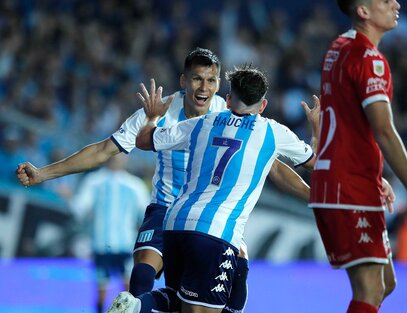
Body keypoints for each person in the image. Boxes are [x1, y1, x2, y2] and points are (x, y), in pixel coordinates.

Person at [16, 48, 311, 313]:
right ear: (184, 81)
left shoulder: (227, 111)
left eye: (210, 80)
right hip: (166, 210)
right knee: (143, 275)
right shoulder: (162, 111)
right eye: (197, 79)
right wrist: (44, 173)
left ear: (220, 85)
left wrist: (311, 195)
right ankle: (134, 305)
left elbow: (272, 166)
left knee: (188, 299)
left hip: (208, 219)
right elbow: (104, 150)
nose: (203, 87)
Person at [106, 64, 318, 313]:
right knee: (204, 308)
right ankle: (137, 308)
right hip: (216, 232)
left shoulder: (202, 123)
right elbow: (317, 164)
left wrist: (153, 117)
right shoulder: (272, 132)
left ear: (228, 100)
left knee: (181, 299)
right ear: (263, 105)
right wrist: (316, 132)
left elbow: (144, 140)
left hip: (176, 224)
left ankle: (138, 305)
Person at [308, 1, 407, 313]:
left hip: (341, 181)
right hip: (348, 186)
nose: (396, 3)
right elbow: (383, 130)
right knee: (369, 288)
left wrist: (373, 172)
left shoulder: (337, 48)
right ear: (363, 11)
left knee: (385, 282)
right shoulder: (370, 59)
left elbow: (348, 122)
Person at [72, 154, 149, 313]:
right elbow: (79, 208)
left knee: (129, 287)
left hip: (125, 245)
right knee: (101, 287)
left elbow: (145, 214)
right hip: (102, 244)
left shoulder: (135, 185)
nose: (118, 159)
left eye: (121, 155)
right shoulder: (94, 181)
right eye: (115, 154)